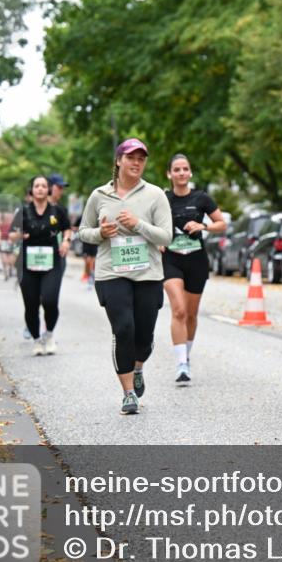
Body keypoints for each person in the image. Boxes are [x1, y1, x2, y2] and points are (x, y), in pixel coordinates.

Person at [77, 138, 172, 415]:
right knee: (123, 329)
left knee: (144, 336)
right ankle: (129, 393)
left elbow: (166, 236)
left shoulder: (155, 194)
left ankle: (138, 367)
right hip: (111, 273)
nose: (136, 163)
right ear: (119, 161)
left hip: (147, 274)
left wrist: (138, 225)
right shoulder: (99, 195)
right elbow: (83, 231)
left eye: (141, 159)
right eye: (131, 157)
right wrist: (100, 233)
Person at [161, 154, 227, 383]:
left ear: (190, 173)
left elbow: (222, 224)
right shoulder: (163, 199)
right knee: (178, 310)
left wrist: (203, 226)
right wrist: (157, 241)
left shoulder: (201, 198)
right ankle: (181, 364)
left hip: (196, 261)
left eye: (185, 169)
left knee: (190, 314)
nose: (181, 173)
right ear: (169, 174)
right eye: (176, 169)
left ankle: (186, 356)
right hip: (171, 260)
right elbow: (150, 224)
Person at [11, 175, 72, 356]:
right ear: (31, 190)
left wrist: (66, 242)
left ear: (49, 189)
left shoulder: (57, 210)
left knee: (49, 300)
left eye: (44, 186)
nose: (40, 189)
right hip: (27, 263)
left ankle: (49, 334)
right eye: (36, 186)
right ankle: (37, 339)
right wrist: (19, 236)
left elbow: (67, 228)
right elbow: (11, 235)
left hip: (52, 262)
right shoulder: (23, 211)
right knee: (31, 304)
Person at [0, 211, 16, 280]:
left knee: (11, 260)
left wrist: (12, 239)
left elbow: (16, 234)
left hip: (11, 244)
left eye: (9, 217)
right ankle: (6, 273)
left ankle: (11, 269)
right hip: (3, 244)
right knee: (4, 260)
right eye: (7, 217)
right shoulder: (1, 226)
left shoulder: (13, 226)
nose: (8, 218)